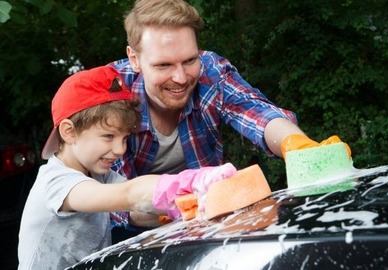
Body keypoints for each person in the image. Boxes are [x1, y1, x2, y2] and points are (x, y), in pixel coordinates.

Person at [107, 0, 350, 235]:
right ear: (134, 59)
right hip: (130, 233)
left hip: (211, 218)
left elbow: (256, 112)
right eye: (163, 65)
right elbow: (104, 192)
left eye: (190, 60)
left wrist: (297, 145)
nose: (180, 78)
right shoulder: (108, 93)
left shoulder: (210, 70)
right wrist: (166, 211)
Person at [17, 66, 237, 270]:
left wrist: (183, 208)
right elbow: (129, 194)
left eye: (124, 138)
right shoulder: (56, 182)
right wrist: (191, 182)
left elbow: (136, 210)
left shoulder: (98, 175)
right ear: (69, 132)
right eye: (108, 136)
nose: (120, 149)